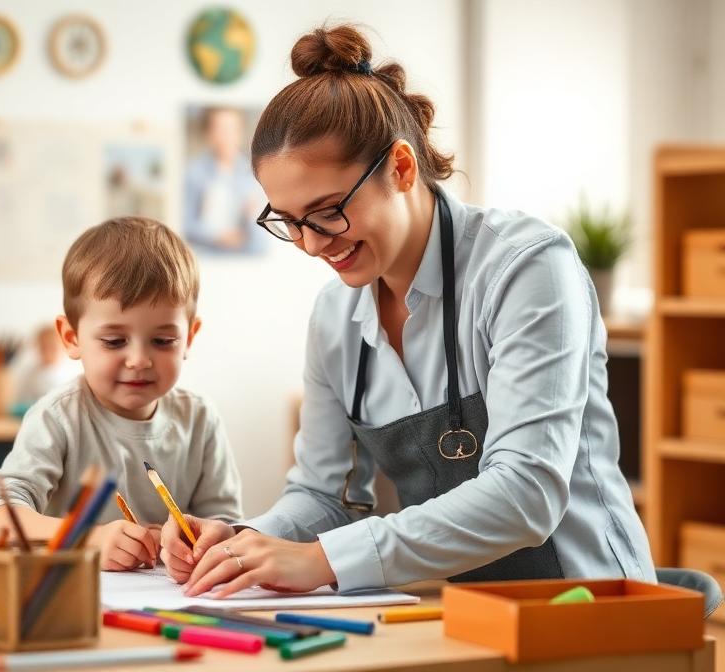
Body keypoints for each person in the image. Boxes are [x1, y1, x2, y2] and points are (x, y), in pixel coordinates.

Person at [160, 25, 653, 597]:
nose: (312, 245)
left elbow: (526, 494)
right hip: (461, 609)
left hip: (592, 605)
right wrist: (242, 541)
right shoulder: (333, 318)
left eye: (326, 212)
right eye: (290, 221)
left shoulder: (526, 267)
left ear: (400, 167)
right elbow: (326, 495)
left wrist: (322, 560)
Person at [0, 217, 243, 570]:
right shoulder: (58, 417)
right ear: (71, 338)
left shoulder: (200, 419)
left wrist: (202, 544)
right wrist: (86, 537)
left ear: (189, 338)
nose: (139, 360)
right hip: (68, 602)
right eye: (115, 341)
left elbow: (227, 530)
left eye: (163, 341)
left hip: (165, 604)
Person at [183, 107, 263, 253]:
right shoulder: (193, 173)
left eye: (232, 129)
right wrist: (216, 236)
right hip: (206, 255)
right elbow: (183, 224)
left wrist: (252, 217)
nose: (227, 135)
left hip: (245, 256)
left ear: (240, 133)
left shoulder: (254, 174)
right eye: (220, 129)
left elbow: (263, 237)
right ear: (209, 134)